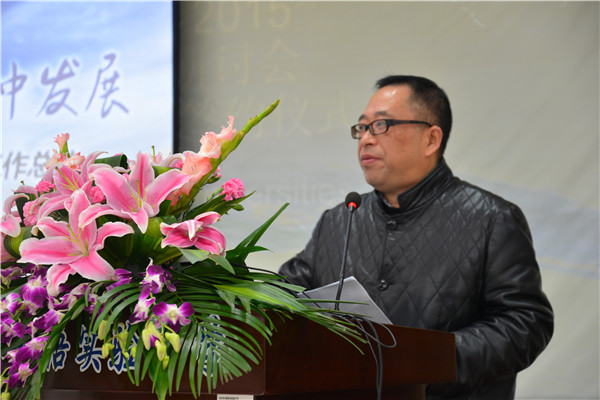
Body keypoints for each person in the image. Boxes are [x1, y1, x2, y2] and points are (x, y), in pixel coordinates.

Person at [279, 75, 554, 399]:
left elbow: (525, 323)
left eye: (380, 125)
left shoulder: (491, 218)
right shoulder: (340, 220)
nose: (365, 139)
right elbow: (283, 295)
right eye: (362, 128)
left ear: (431, 139)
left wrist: (430, 361)